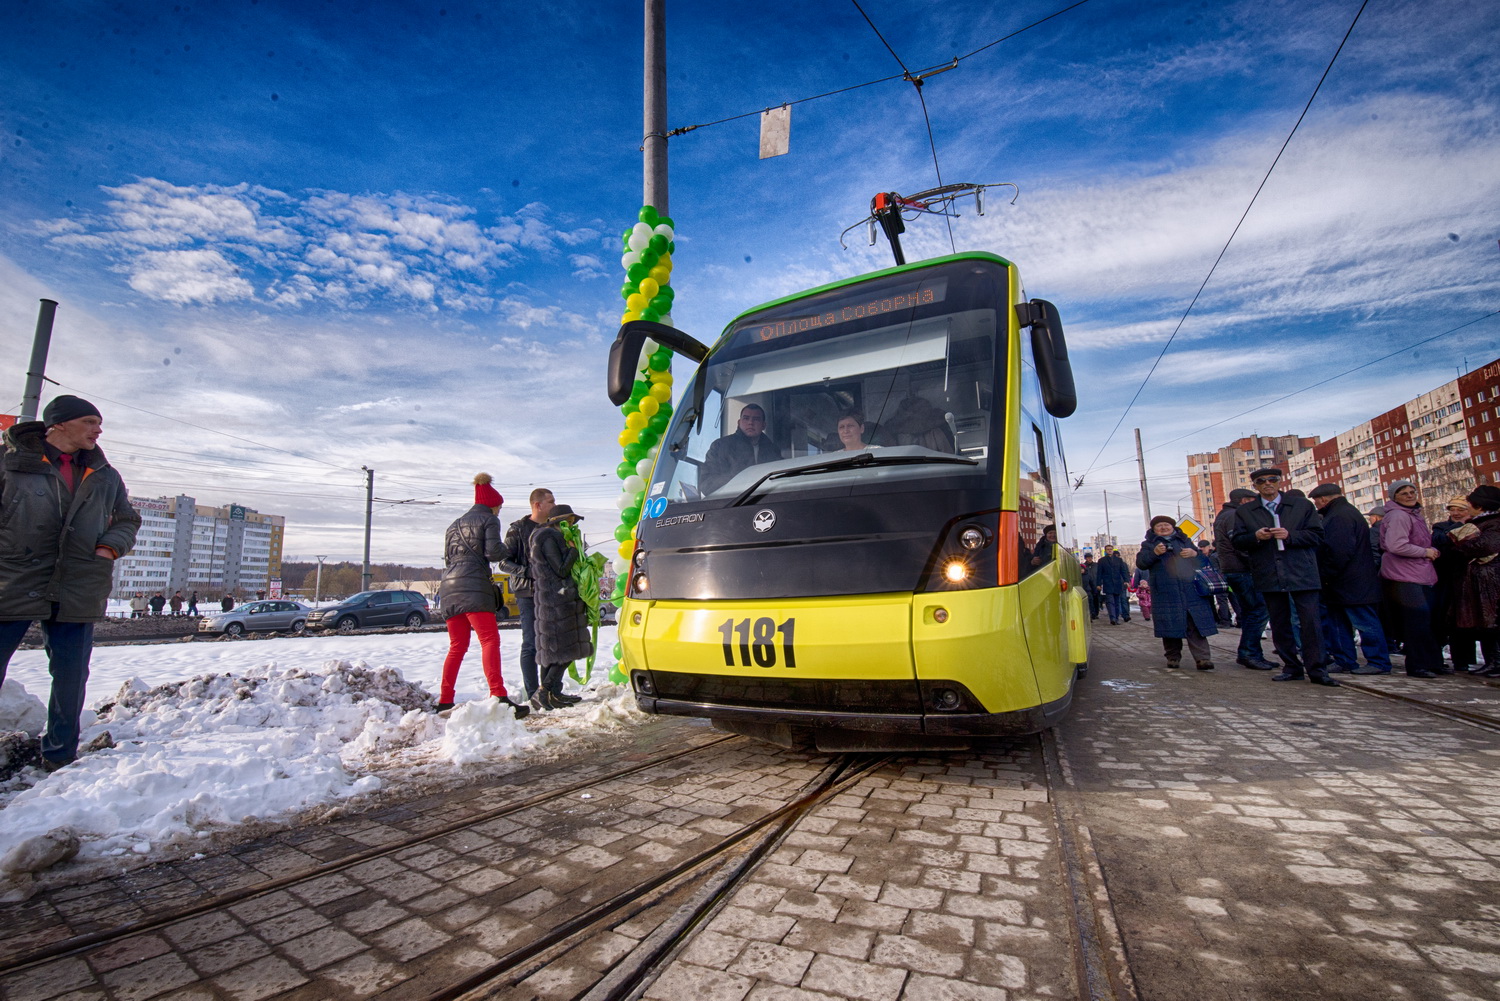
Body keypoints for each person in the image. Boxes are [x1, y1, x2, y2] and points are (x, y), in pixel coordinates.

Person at [0, 396, 140, 770]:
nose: (99, 430)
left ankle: (60, 755)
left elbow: (127, 519)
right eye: (90, 421)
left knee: (71, 675)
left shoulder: (104, 474)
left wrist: (109, 548)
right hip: (12, 579)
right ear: (59, 424)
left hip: (78, 582)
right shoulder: (10, 462)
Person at [1232, 467, 1336, 686]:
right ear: (1256, 486)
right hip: (1269, 572)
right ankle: (1291, 667)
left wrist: (1291, 536)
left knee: (1310, 622)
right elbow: (1238, 541)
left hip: (1301, 571)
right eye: (1262, 481)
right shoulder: (1246, 511)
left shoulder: (1301, 505)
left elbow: (1317, 535)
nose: (1267, 484)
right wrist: (1256, 537)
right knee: (1279, 623)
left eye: (1272, 480)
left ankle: (1317, 670)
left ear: (1279, 482)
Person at [436, 474, 528, 718]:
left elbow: (448, 558)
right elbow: (493, 553)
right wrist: (511, 549)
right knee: (489, 640)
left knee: (457, 645)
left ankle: (445, 699)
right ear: (493, 504)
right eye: (499, 507)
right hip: (473, 586)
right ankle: (498, 695)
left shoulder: (453, 525)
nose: (499, 511)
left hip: (448, 585)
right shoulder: (489, 519)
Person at [499, 487, 579, 706]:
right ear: (538, 505)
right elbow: (503, 562)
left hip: (554, 592)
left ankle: (552, 691)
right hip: (528, 591)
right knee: (532, 643)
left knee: (554, 644)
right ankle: (534, 692)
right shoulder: (518, 529)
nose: (555, 504)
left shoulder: (555, 528)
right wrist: (528, 572)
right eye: (551, 501)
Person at [1309, 483, 1392, 675]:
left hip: (1350, 581)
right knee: (1338, 622)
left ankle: (1378, 661)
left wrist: (1326, 573)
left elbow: (1339, 550)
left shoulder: (1339, 517)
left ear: (1323, 499)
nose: (1316, 505)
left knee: (1364, 621)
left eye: (1316, 502)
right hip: (1346, 581)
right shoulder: (1345, 513)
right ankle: (1345, 660)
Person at [530, 504, 594, 711]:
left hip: (552, 599)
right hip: (558, 600)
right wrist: (574, 551)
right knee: (567, 648)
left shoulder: (543, 536)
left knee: (553, 649)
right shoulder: (549, 537)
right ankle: (544, 690)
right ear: (560, 521)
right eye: (570, 521)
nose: (572, 525)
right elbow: (560, 569)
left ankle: (552, 694)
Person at [1378, 480, 1442, 678]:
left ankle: (1431, 662)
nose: (1409, 495)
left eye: (1412, 491)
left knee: (1426, 620)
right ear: (1394, 497)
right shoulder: (1399, 516)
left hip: (1419, 574)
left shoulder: (1414, 515)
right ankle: (1417, 665)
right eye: (1403, 493)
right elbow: (1396, 545)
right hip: (1405, 575)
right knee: (1417, 621)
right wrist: (1425, 552)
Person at [1136, 516, 1218, 669]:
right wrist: (1154, 553)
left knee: (1195, 625)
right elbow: (1141, 563)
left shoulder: (1184, 540)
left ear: (1173, 527)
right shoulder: (1149, 544)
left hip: (1190, 590)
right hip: (1166, 591)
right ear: (1153, 529)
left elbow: (1204, 563)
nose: (1163, 528)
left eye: (1166, 525)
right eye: (1159, 526)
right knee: (1170, 625)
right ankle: (1173, 657)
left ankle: (1203, 659)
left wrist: (1195, 555)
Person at [1214, 488, 1275, 670]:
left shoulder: (1225, 515)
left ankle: (1251, 653)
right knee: (1258, 610)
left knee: (1251, 611)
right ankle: (1249, 653)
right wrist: (1259, 562)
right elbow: (1240, 544)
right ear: (1244, 501)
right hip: (1243, 570)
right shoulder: (1235, 515)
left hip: (1236, 569)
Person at [1446, 484, 1500, 677]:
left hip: (1491, 580)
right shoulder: (1484, 521)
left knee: (1492, 622)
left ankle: (1497, 662)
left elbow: (1484, 545)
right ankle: (1492, 662)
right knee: (1486, 623)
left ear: (1480, 505)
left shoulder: (1493, 522)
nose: (1467, 506)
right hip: (1484, 580)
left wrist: (1460, 544)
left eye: (1470, 503)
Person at [1433, 496, 1477, 672]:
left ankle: (1464, 661)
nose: (1456, 513)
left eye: (1461, 509)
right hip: (1446, 579)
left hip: (1469, 578)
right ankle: (1439, 658)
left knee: (1465, 621)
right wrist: (1461, 527)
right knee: (1444, 619)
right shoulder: (1440, 527)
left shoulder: (1478, 525)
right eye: (1453, 509)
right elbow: (1438, 539)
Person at [699, 404, 784, 494]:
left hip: (768, 502)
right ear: (739, 423)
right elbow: (706, 483)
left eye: (756, 419)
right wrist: (740, 479)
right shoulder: (720, 446)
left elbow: (782, 482)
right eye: (746, 418)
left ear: (763, 425)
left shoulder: (773, 450)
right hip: (733, 504)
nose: (750, 422)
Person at [1197, 540, 1234, 625]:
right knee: (1228, 599)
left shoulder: (1213, 556)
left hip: (1217, 581)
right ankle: (1226, 619)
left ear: (1209, 547)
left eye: (1203, 547)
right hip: (1216, 581)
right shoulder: (1213, 555)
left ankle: (1225, 621)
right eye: (1200, 547)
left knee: (1222, 599)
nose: (1202, 549)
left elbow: (1217, 570)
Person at [1097, 547, 1131, 624]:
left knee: (1117, 602)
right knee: (1110, 602)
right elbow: (1099, 573)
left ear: (1112, 550)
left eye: (1111, 549)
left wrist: (1126, 581)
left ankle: (1116, 618)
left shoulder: (1118, 560)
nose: (1109, 550)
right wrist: (1098, 584)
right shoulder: (1102, 560)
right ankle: (1112, 618)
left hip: (1117, 584)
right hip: (1108, 584)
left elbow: (1123, 571)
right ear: (1105, 551)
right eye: (1108, 549)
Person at [1081, 555, 1102, 620]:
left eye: (1090, 558)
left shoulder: (1096, 565)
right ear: (1085, 559)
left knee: (1096, 600)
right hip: (1088, 586)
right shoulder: (1083, 566)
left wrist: (1100, 583)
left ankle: (1096, 613)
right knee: (1090, 600)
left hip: (1096, 584)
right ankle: (1092, 613)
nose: (1089, 559)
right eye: (1088, 558)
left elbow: (1099, 574)